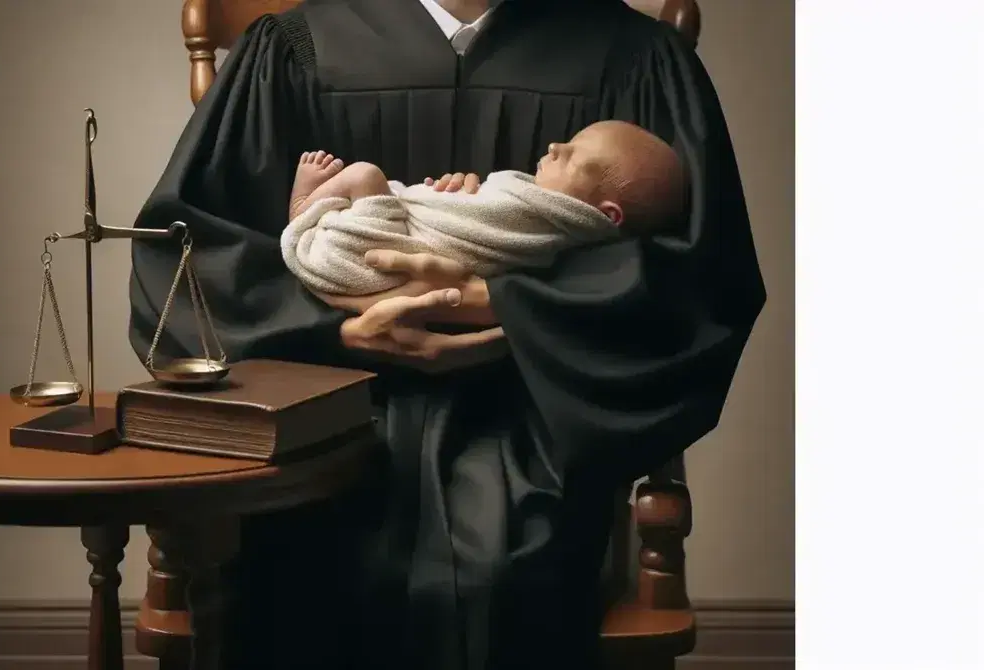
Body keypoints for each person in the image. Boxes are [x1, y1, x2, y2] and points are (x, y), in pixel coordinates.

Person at [127, 0, 766, 668]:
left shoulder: (633, 56)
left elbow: (698, 283)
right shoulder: (295, 47)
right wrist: (342, 327)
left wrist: (497, 301)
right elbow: (182, 258)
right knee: (291, 558)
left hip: (533, 414)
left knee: (508, 573)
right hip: (322, 409)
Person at [282, 120, 686, 297]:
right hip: (342, 365)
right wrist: (447, 202)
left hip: (365, 254)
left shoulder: (550, 226)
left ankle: (305, 208)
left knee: (366, 176)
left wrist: (489, 306)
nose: (553, 147)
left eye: (574, 156)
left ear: (608, 214)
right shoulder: (551, 227)